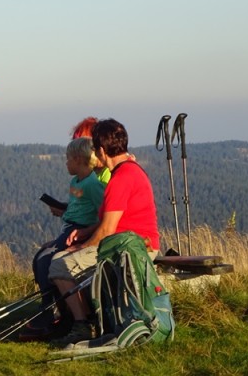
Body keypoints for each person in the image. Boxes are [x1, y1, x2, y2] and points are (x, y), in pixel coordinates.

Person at [47, 118, 160, 346]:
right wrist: (86, 231)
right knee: (63, 260)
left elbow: (107, 230)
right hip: (132, 243)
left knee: (59, 264)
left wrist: (81, 246)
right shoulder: (132, 170)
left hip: (131, 249)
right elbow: (109, 222)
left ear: (100, 150)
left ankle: (83, 324)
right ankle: (87, 319)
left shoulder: (120, 179)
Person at [22, 135, 109, 340]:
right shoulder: (75, 181)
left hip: (79, 230)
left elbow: (102, 212)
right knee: (40, 257)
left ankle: (53, 312)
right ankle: (55, 307)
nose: (66, 162)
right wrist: (64, 210)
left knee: (46, 260)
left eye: (68, 159)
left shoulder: (93, 184)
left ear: (79, 159)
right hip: (68, 228)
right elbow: (78, 205)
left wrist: (87, 232)